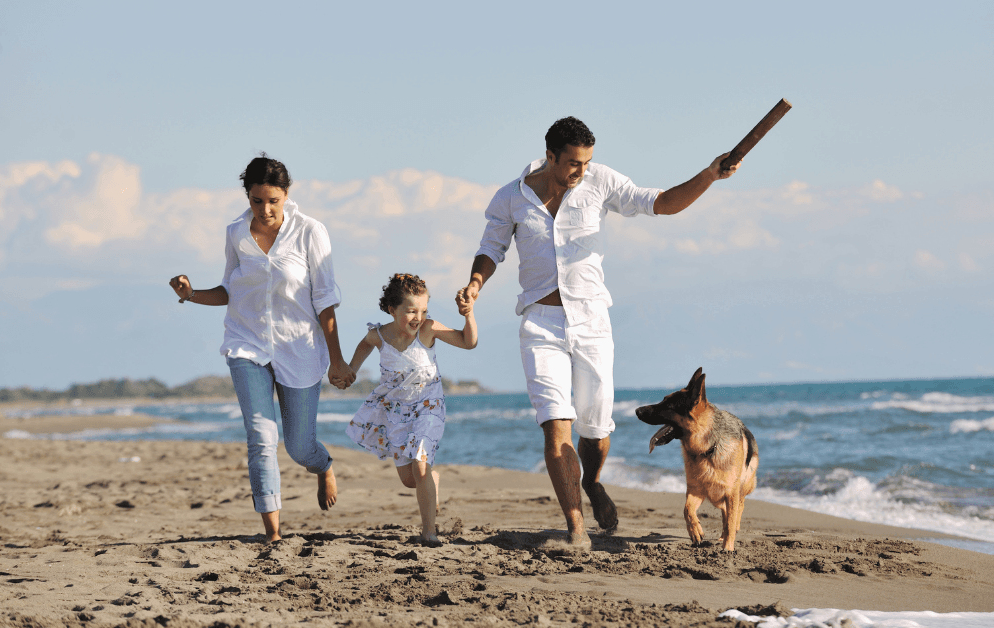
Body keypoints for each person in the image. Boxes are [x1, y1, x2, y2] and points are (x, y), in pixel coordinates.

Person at [455, 116, 739, 548]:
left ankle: (592, 481)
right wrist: (475, 284)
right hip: (540, 322)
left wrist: (708, 175)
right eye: (572, 163)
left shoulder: (600, 182)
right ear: (549, 156)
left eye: (586, 162)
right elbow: (490, 247)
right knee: (555, 422)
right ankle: (576, 528)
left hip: (592, 322)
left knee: (597, 428)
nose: (580, 171)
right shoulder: (510, 198)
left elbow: (660, 203)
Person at [168, 154, 356, 543]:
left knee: (299, 447)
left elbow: (325, 299)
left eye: (273, 200)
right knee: (260, 435)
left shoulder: (311, 232)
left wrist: (337, 358)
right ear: (247, 197)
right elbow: (229, 290)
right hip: (246, 343)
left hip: (300, 348)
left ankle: (323, 466)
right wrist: (191, 294)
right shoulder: (236, 232)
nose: (265, 209)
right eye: (257, 201)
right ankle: (273, 534)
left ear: (286, 195)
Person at [345, 273, 478, 544]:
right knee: (410, 479)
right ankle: (433, 481)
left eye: (423, 310)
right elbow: (364, 345)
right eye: (411, 311)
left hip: (429, 407)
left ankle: (429, 532)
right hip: (396, 412)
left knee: (419, 465)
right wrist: (351, 370)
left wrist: (469, 315)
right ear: (392, 310)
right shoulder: (379, 335)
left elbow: (468, 341)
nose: (418, 317)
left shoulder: (428, 330)